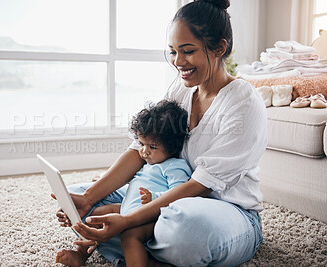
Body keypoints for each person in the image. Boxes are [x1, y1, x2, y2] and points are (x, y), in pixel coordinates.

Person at [56, 0, 267, 266]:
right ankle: (147, 249)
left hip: (225, 211)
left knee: (184, 228)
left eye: (188, 51)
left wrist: (130, 218)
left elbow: (202, 186)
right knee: (77, 203)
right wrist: (88, 198)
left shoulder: (243, 104)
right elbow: (141, 149)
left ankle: (136, 242)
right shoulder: (181, 90)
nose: (178, 62)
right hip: (164, 197)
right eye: (172, 51)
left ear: (219, 48)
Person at [55, 100, 192, 266]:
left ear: (171, 147)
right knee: (96, 216)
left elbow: (180, 194)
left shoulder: (175, 166)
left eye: (152, 147)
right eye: (141, 144)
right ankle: (82, 253)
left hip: (152, 215)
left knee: (130, 236)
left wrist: (154, 197)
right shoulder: (148, 164)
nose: (144, 151)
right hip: (129, 209)